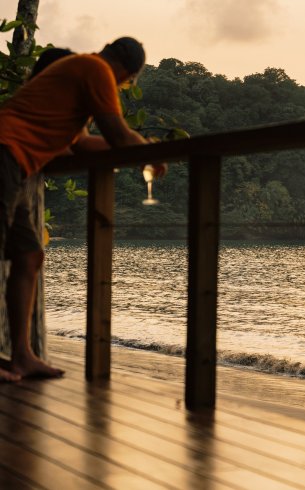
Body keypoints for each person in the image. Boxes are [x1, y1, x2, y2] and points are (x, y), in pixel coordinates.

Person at [0, 37, 166, 382]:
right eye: (126, 83)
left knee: (29, 256)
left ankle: (22, 356)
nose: (121, 87)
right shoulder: (94, 69)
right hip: (4, 154)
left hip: (18, 164)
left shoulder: (79, 81)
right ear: (127, 73)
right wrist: (145, 151)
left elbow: (79, 145)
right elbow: (118, 134)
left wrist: (142, 146)